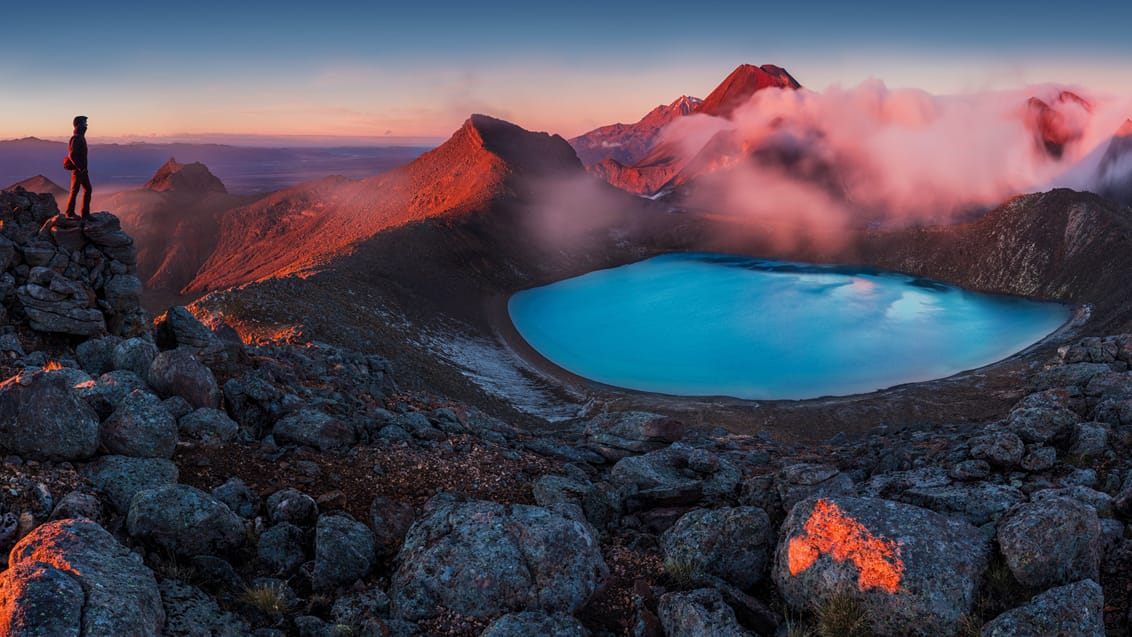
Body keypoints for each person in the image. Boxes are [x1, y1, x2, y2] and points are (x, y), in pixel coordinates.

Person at [64, 115, 92, 219]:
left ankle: (85, 214)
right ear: (79, 124)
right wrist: (80, 167)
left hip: (82, 170)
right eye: (85, 123)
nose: (86, 125)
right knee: (75, 191)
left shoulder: (80, 137)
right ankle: (69, 213)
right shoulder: (76, 138)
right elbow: (71, 155)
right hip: (79, 170)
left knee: (87, 190)